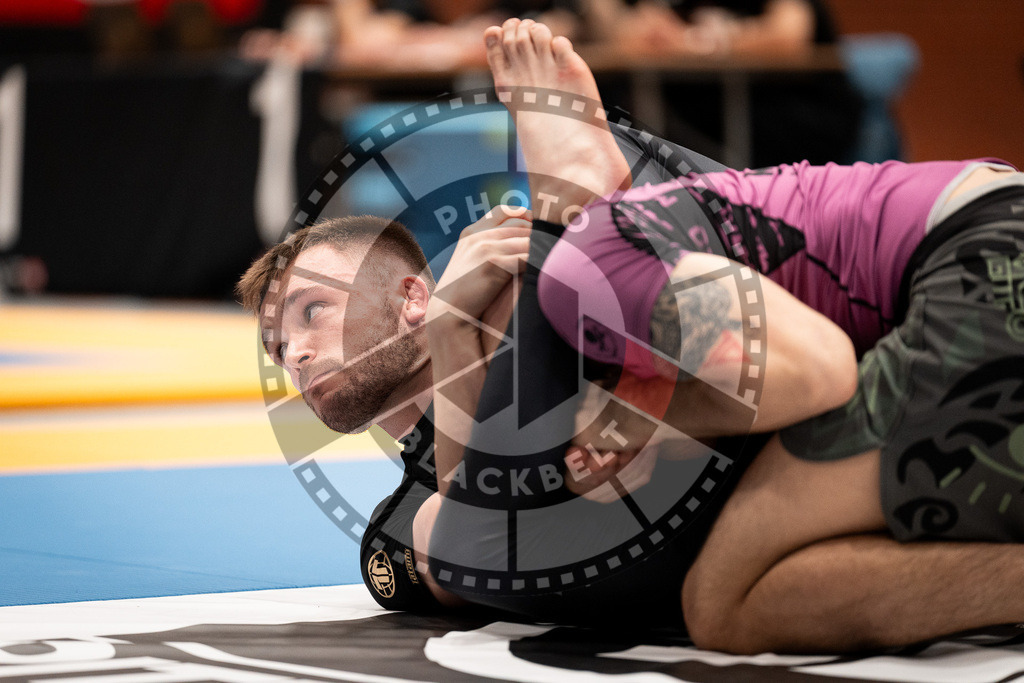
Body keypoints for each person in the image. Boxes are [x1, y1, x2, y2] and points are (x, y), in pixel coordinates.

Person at [237, 18, 1024, 654]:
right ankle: (587, 203)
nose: (294, 354)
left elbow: (816, 369)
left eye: (310, 310)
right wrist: (457, 340)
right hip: (890, 328)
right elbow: (463, 547)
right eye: (276, 347)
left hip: (946, 270)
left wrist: (629, 407)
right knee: (500, 536)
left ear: (411, 294)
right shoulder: (404, 514)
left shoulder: (550, 284)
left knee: (569, 298)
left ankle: (585, 195)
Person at [472, 17, 1024, 653]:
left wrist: (645, 415)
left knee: (725, 603)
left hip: (982, 263)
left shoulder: (590, 263)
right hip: (980, 247)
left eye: (495, 353)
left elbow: (821, 372)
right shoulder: (650, 247)